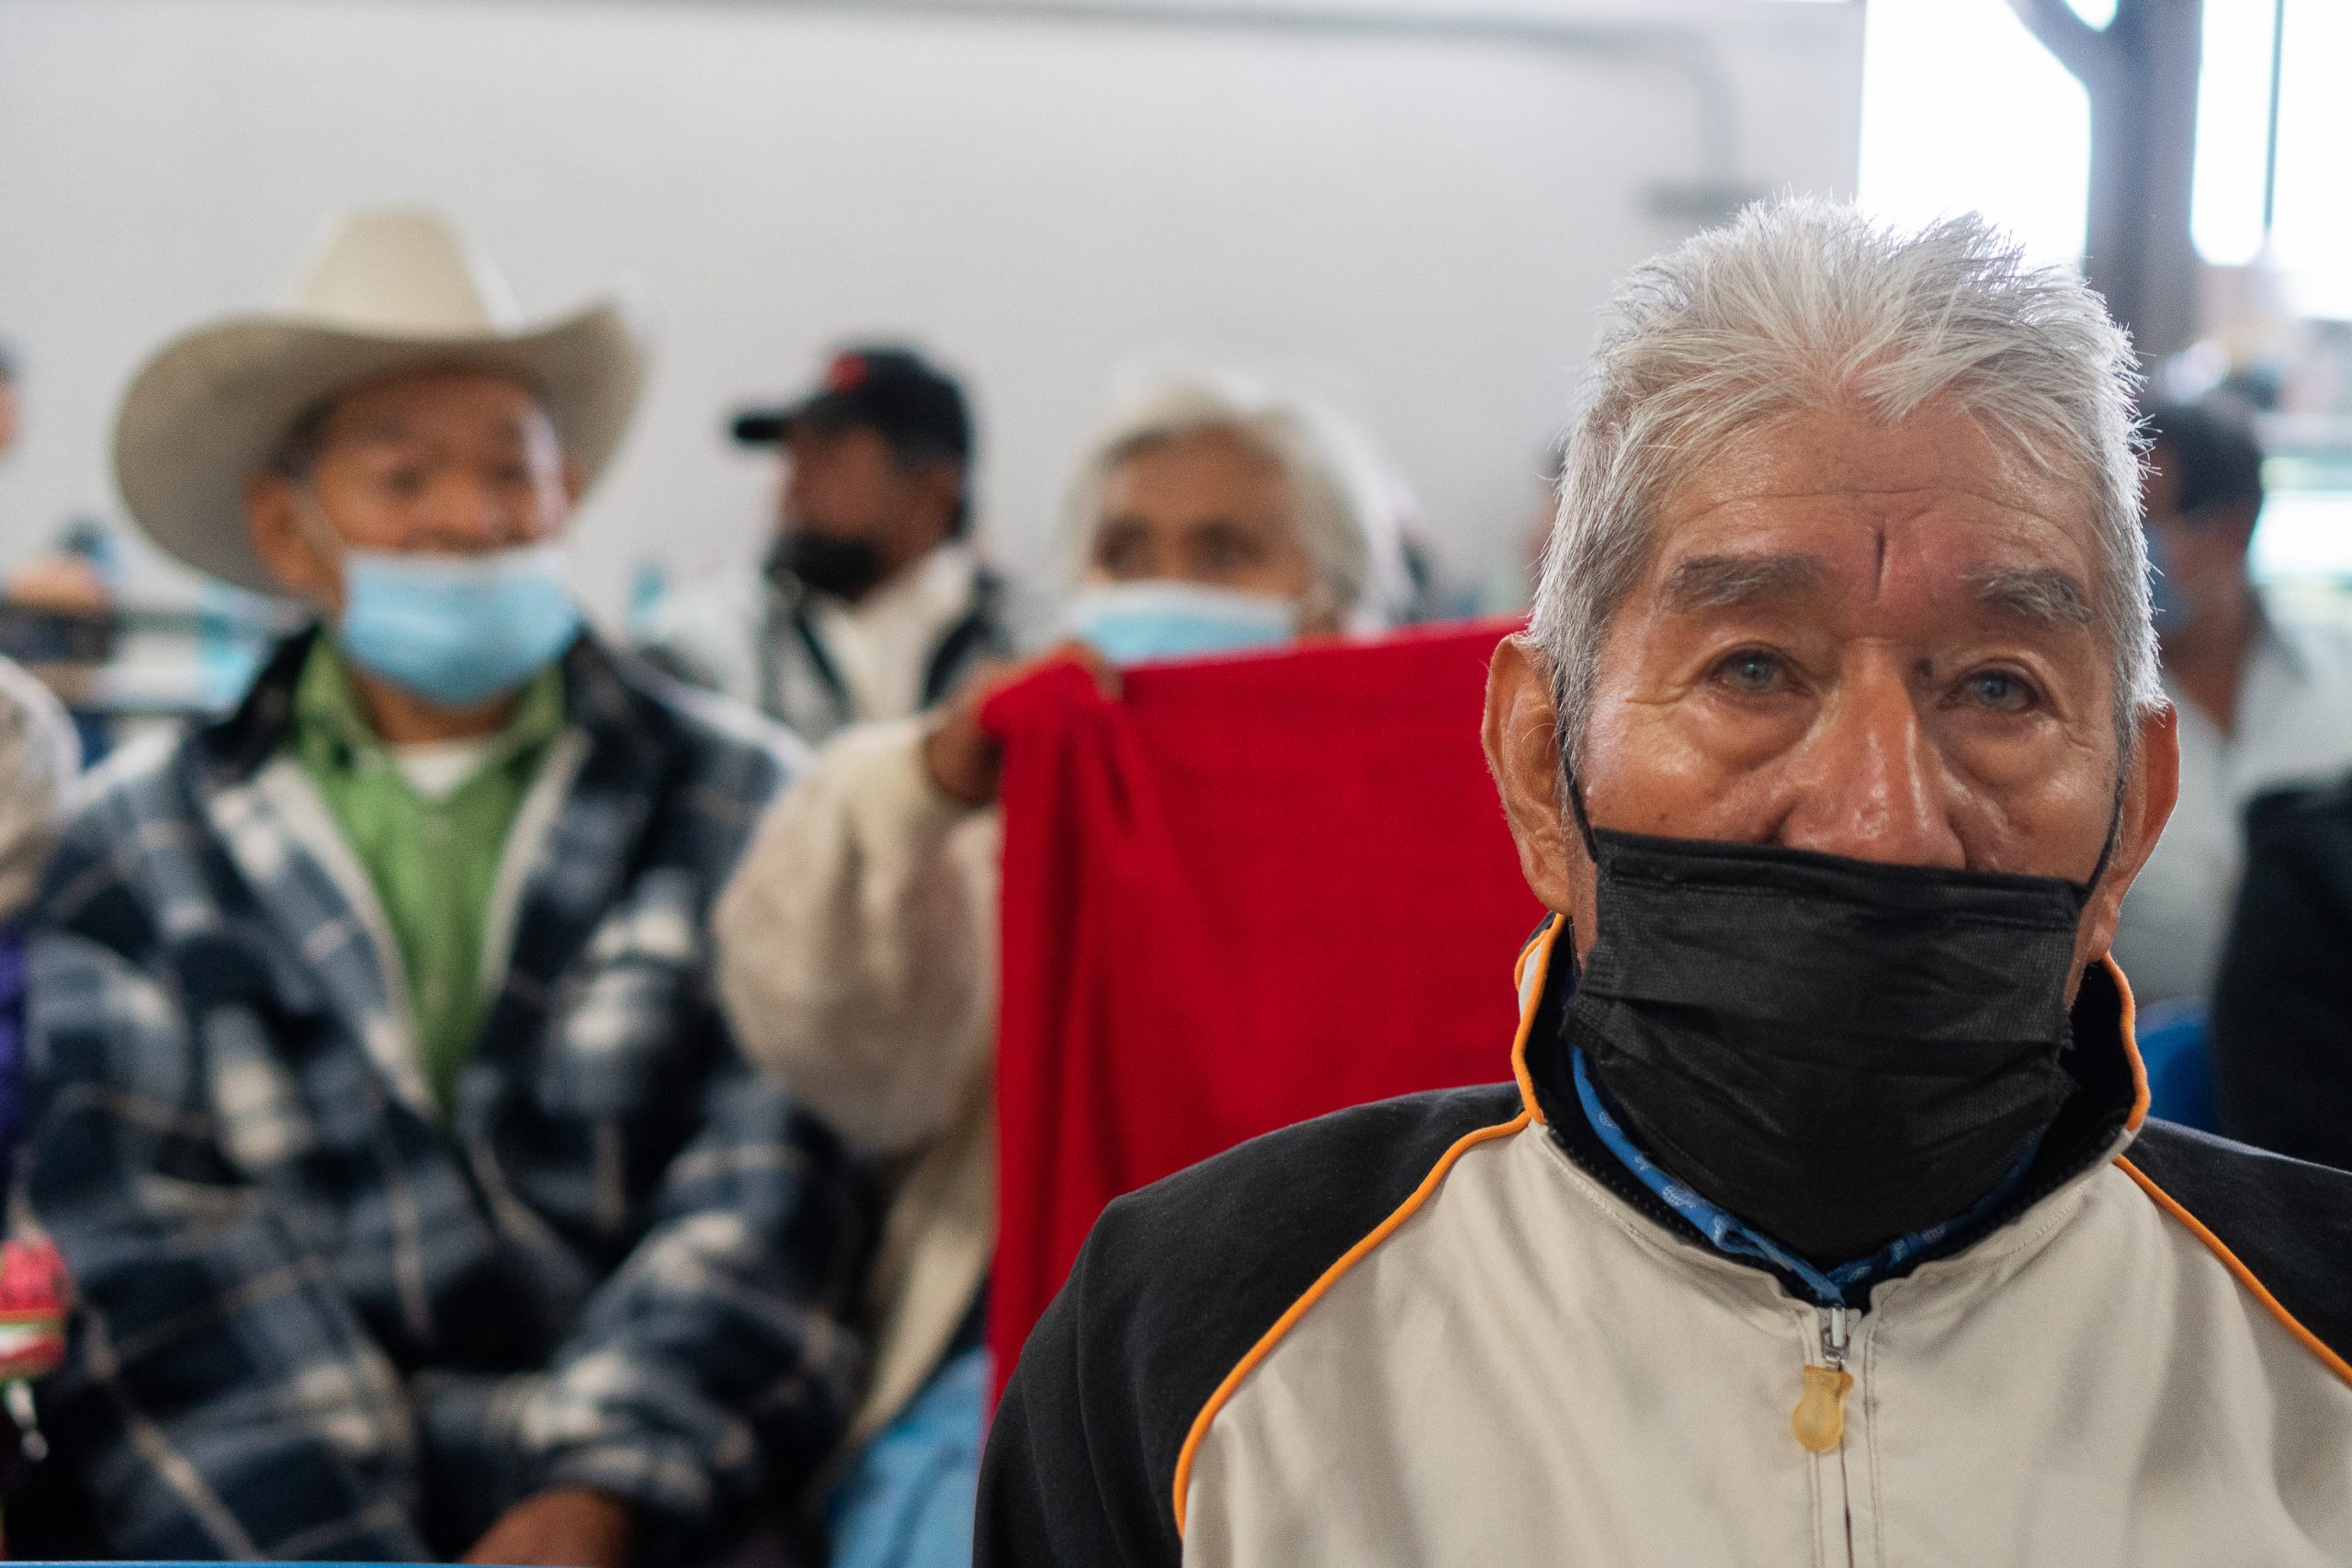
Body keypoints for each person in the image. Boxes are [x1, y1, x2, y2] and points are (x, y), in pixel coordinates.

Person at [976, 200, 2352, 1566]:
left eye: (2000, 685)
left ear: (2136, 809)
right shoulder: (1185, 1344)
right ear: (1538, 760)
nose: (1879, 814)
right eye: (1754, 668)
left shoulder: (2320, 1346)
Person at [14, 209, 863, 1565]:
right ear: (290, 532)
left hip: (660, 1512)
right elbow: (152, 1240)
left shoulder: (746, 800)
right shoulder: (133, 847)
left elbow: (770, 1182)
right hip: (265, 1513)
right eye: (402, 479)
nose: (469, 519)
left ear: (567, 493)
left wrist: (596, 1500)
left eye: (508, 472)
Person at [709, 375, 1408, 1567]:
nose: (1157, 583)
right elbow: (845, 1055)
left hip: (1350, 1371)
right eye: (1124, 547)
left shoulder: (1425, 833)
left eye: (1222, 549)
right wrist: (927, 782)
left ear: (1331, 607)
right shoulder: (1013, 815)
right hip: (1022, 1362)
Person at [639, 346, 1030, 745]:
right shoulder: (698, 650)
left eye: (830, 461)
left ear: (930, 493)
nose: (791, 489)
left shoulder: (1028, 647)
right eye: (792, 459)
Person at [2109, 402, 2352, 1006]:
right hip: (2146, 1075)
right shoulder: (2088, 713)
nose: (2115, 554)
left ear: (2230, 531)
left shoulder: (2340, 678)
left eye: (2139, 525)